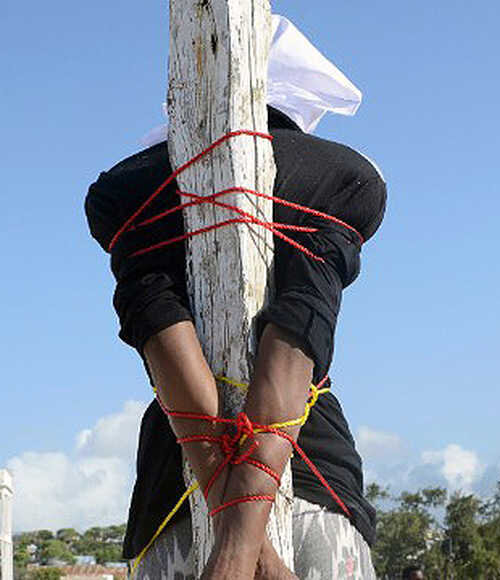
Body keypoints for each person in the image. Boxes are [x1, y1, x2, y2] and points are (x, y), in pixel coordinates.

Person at [85, 16, 386, 579]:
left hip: (174, 492)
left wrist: (236, 536)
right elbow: (301, 329)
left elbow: (157, 322)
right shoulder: (339, 181)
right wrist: (245, 544)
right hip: (315, 478)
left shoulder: (130, 193)